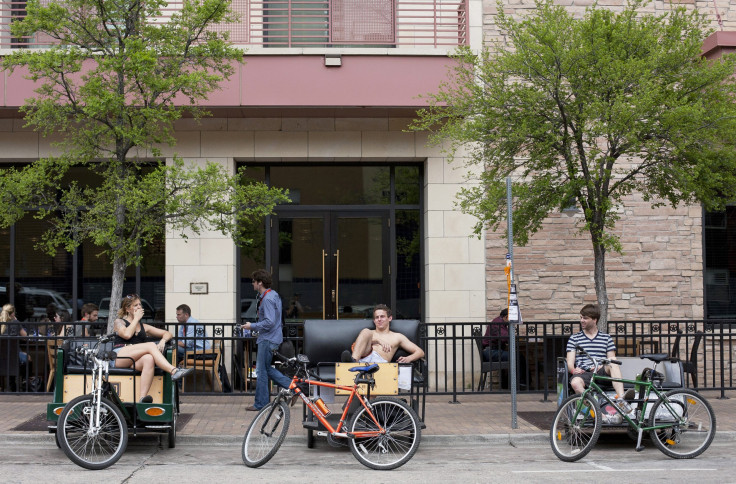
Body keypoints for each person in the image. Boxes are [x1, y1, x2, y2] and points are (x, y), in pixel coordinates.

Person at [113, 294, 193, 403]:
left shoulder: (144, 327)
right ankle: (173, 371)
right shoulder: (119, 322)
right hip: (120, 355)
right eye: (135, 305)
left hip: (135, 360)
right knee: (151, 345)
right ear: (127, 309)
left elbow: (167, 333)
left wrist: (163, 341)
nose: (139, 307)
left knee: (149, 359)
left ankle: (142, 398)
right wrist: (136, 318)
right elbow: (126, 335)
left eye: (140, 305)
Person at [241, 269, 294, 411]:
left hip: (267, 339)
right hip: (272, 338)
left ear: (260, 283)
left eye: (253, 281)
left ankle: (261, 404)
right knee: (265, 369)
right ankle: (293, 387)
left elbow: (269, 322)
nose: (252, 284)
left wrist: (251, 326)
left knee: (261, 371)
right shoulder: (274, 295)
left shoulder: (268, 299)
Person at [566, 304, 630, 410]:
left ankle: (621, 400)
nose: (582, 320)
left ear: (594, 320)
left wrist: (600, 367)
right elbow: (569, 362)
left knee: (613, 361)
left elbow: (611, 359)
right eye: (581, 317)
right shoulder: (574, 338)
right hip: (584, 374)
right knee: (575, 383)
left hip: (601, 372)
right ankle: (596, 411)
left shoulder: (606, 338)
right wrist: (573, 370)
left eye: (585, 318)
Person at [346, 304, 424, 364]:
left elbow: (420, 352)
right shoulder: (369, 333)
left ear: (389, 318)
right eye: (377, 317)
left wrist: (408, 358)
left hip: (379, 364)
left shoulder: (397, 336)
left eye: (382, 316)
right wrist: (377, 341)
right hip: (362, 360)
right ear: (374, 320)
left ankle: (351, 365)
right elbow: (356, 346)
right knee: (366, 331)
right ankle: (352, 363)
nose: (379, 319)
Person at [481, 308, 527, 388]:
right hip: (491, 352)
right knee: (518, 356)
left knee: (518, 356)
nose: (512, 321)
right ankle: (519, 383)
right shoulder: (498, 323)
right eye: (512, 319)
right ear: (506, 317)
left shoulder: (499, 322)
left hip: (492, 351)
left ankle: (515, 383)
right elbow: (505, 337)